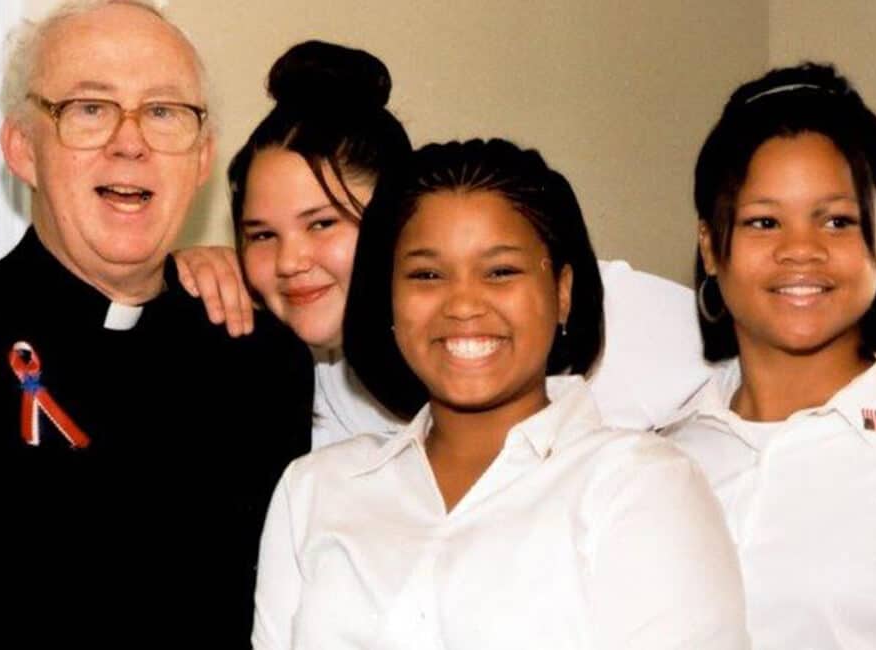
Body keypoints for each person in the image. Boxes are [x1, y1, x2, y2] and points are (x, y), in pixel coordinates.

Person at [0, 0, 314, 645]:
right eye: (90, 109)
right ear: (22, 149)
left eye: (163, 112)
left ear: (202, 158)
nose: (130, 142)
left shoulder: (264, 363)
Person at [253, 138, 747, 649]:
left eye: (500, 272)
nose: (463, 304)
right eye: (427, 275)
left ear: (562, 292)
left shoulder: (639, 485)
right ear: (388, 300)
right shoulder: (314, 489)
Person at [178, 40, 708, 446]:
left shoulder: (607, 316)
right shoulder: (317, 391)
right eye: (262, 235)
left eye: (323, 224)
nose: (290, 261)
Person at [664, 62, 876, 649]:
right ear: (711, 246)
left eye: (837, 221)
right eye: (764, 221)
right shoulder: (659, 449)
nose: (801, 250)